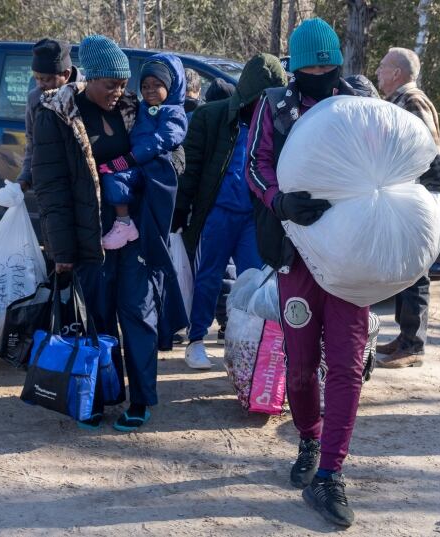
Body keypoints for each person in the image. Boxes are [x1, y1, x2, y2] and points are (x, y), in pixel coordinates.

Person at [32, 35, 186, 432]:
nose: (119, 92)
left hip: (135, 231)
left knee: (138, 313)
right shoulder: (57, 114)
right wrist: (61, 250)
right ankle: (100, 394)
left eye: (123, 83)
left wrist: (155, 169)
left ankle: (140, 399)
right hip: (89, 235)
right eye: (111, 85)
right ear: (91, 79)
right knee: (98, 320)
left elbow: (174, 152)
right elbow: (51, 188)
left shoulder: (136, 108)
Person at [245, 18, 365, 527]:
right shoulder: (274, 105)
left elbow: (388, 151)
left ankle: (331, 474)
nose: (321, 71)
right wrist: (279, 201)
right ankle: (309, 438)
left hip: (351, 257)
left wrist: (426, 164)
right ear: (294, 64)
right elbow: (255, 165)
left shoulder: (358, 103)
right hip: (296, 254)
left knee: (347, 364)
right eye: (312, 63)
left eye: (329, 62)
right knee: (299, 364)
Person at [174, 54, 287, 369]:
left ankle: (248, 342)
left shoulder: (278, 124)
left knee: (255, 280)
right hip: (216, 214)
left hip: (254, 217)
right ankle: (196, 340)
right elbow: (191, 169)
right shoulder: (211, 117)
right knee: (207, 278)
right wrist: (181, 212)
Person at [374, 47, 440, 368]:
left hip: (415, 200)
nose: (377, 72)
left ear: (396, 73)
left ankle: (413, 345)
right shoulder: (398, 101)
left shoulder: (412, 100)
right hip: (404, 198)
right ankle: (405, 337)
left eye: (382, 66)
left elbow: (426, 152)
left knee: (416, 272)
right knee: (405, 270)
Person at [98, 55, 188, 250]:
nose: (150, 91)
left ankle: (131, 227)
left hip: (156, 170)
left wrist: (129, 159)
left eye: (157, 85)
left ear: (171, 85)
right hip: (138, 165)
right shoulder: (141, 108)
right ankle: (124, 222)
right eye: (145, 86)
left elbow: (163, 140)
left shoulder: (173, 112)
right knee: (112, 177)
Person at [17, 38, 82, 192]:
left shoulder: (85, 94)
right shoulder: (35, 98)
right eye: (36, 78)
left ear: (65, 74)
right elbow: (32, 142)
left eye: (45, 79)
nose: (40, 84)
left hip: (82, 182)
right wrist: (25, 177)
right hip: (51, 185)